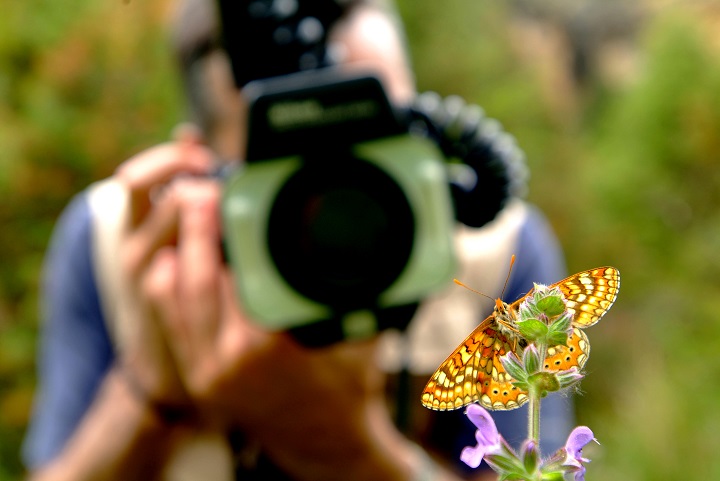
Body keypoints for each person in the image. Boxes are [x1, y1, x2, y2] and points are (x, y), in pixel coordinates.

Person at [22, 0, 571, 480]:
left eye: (382, 137)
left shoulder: (498, 255)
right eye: (301, 169)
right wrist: (147, 390)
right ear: (201, 167)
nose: (346, 207)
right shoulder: (116, 246)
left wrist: (350, 451)